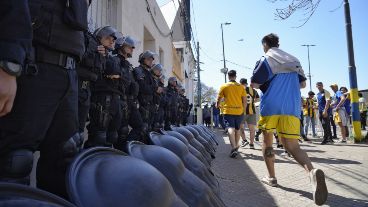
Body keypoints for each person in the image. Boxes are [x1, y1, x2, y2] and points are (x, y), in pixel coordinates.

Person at [0, 0, 89, 198]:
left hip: (69, 73)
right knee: (16, 160)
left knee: (65, 156)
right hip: (34, 65)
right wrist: (8, 63)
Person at [251, 33, 327, 205]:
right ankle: (312, 172)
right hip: (292, 108)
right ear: (279, 43)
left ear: (265, 45)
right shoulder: (294, 60)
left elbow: (254, 84)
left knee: (268, 142)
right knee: (293, 146)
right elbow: (302, 85)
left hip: (270, 107)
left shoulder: (266, 59)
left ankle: (271, 177)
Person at [84, 27, 122, 148]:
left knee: (112, 137)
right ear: (99, 38)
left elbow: (118, 76)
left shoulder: (110, 57)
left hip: (113, 99)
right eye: (108, 38)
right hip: (98, 98)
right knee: (98, 137)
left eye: (113, 40)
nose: (111, 42)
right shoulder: (92, 49)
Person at [113, 35, 146, 150]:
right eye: (130, 46)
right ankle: (119, 154)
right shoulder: (114, 60)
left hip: (130, 103)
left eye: (133, 47)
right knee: (120, 132)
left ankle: (126, 150)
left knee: (140, 127)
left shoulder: (129, 66)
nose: (132, 49)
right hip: (119, 101)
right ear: (121, 46)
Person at [216, 70, 247, 158]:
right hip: (239, 111)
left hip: (228, 111)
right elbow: (244, 100)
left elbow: (219, 98)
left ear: (229, 76)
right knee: (237, 129)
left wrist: (217, 105)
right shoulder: (241, 87)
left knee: (230, 128)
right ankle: (236, 146)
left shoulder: (224, 86)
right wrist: (243, 110)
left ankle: (233, 147)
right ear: (235, 76)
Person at [134, 50, 158, 135]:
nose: (151, 61)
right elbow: (143, 87)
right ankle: (129, 147)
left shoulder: (148, 74)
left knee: (148, 129)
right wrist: (155, 89)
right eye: (148, 59)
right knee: (141, 128)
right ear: (142, 60)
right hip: (141, 104)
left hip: (149, 105)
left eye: (152, 60)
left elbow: (152, 89)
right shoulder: (138, 70)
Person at [239, 78, 260, 149]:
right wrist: (252, 102)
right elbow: (258, 99)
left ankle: (244, 140)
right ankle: (251, 144)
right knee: (252, 129)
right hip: (252, 111)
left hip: (241, 112)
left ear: (240, 83)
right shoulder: (253, 90)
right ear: (246, 83)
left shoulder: (239, 90)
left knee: (240, 127)